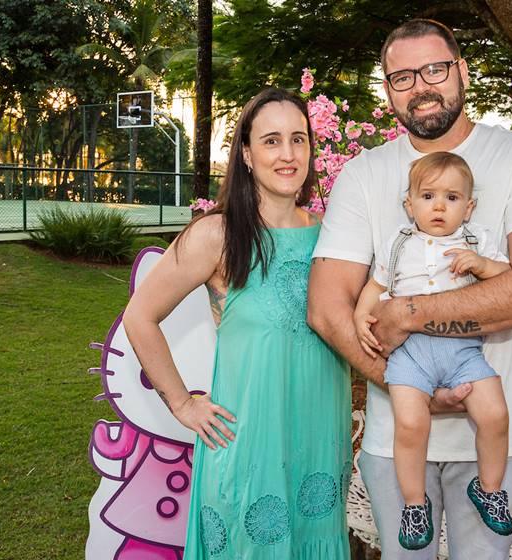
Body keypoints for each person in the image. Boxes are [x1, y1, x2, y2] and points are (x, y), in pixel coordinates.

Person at [308, 18, 512, 560]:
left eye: (434, 69)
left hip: (496, 433)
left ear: (463, 72)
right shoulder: (364, 174)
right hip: (396, 430)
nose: (420, 86)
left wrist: (407, 312)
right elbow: (327, 305)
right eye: (401, 77)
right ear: (388, 91)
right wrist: (412, 388)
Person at [123, 88, 351, 560]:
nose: (288, 154)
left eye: (299, 139)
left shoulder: (334, 235)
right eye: (271, 141)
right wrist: (184, 405)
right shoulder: (217, 235)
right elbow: (140, 317)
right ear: (246, 154)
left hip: (319, 446)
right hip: (250, 449)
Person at [353, 152, 512, 550]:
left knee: (494, 414)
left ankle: (489, 489)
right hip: (410, 353)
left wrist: (480, 263)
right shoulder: (398, 242)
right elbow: (375, 287)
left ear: (469, 206)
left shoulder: (478, 241)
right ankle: (413, 503)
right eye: (428, 196)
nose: (439, 205)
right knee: (410, 425)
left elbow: (508, 279)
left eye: (452, 197)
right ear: (409, 204)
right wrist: (360, 316)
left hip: (462, 350)